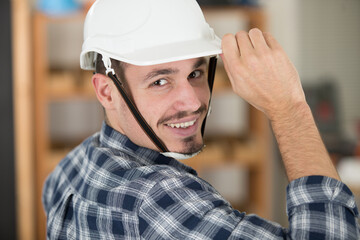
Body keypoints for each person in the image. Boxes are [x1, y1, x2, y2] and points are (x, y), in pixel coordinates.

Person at [43, 0, 360, 239]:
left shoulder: (69, 169)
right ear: (107, 92)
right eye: (160, 81)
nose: (193, 101)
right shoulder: (157, 199)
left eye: (195, 73)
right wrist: (289, 108)